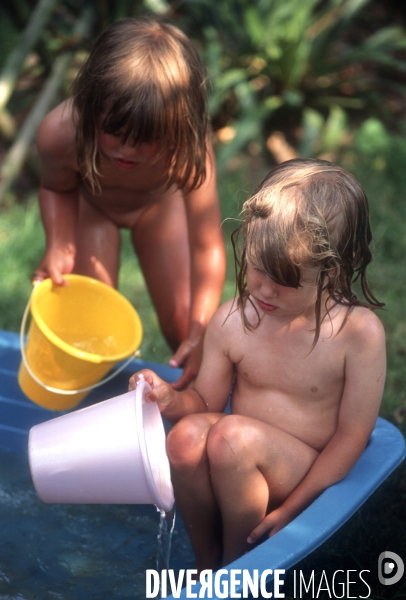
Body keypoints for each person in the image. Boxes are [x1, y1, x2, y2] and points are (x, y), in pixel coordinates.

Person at [128, 158, 386, 572]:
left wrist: (293, 509)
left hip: (306, 473)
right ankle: (207, 558)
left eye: (284, 280)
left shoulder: (357, 334)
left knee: (233, 438)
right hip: (236, 464)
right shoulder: (234, 320)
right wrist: (169, 399)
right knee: (186, 438)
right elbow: (205, 402)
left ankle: (239, 564)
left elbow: (352, 437)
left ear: (331, 272)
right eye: (255, 268)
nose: (263, 289)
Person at [32, 17, 226, 389]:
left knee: (187, 326)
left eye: (147, 139)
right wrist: (59, 243)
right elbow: (56, 189)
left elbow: (208, 247)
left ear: (177, 126)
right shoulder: (61, 133)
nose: (128, 149)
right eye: (114, 132)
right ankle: (89, 405)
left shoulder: (187, 153)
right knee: (90, 326)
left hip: (157, 207)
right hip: (91, 208)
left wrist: (202, 326)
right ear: (91, 106)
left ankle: (196, 398)